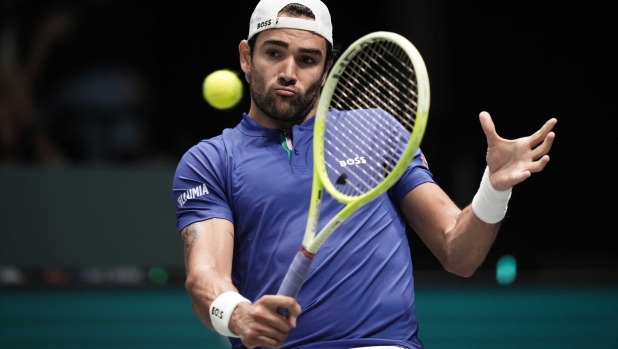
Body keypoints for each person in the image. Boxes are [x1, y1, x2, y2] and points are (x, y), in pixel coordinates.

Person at [171, 0, 557, 348]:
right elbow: (204, 276)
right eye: (274, 53)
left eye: (307, 60)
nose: (289, 72)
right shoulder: (210, 160)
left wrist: (494, 189)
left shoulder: (378, 133)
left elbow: (459, 253)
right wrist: (238, 315)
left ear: (326, 70)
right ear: (246, 56)